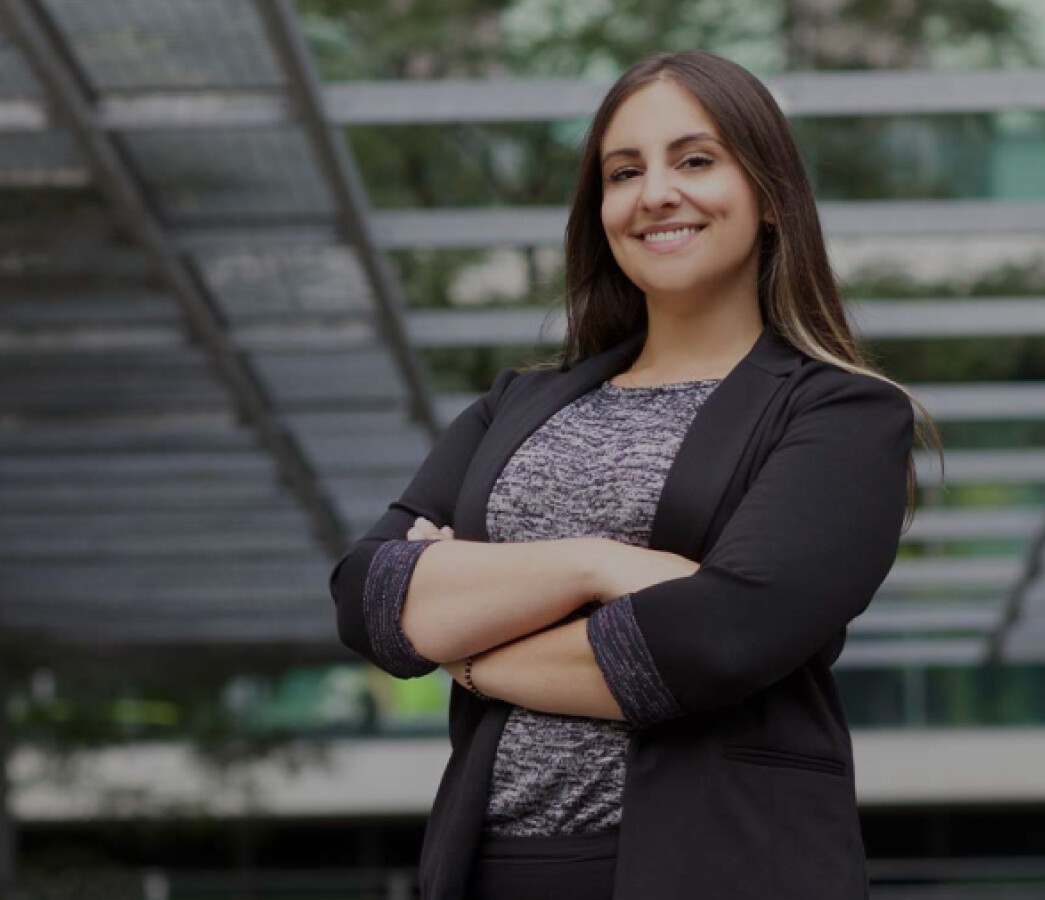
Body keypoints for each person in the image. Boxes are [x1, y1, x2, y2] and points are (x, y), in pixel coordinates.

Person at [328, 49, 940, 900]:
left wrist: (467, 650)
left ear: (768, 196)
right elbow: (369, 599)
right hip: (488, 871)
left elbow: (714, 639)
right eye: (624, 171)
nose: (656, 192)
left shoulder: (841, 415)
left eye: (696, 160)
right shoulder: (519, 403)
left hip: (715, 869)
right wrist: (596, 564)